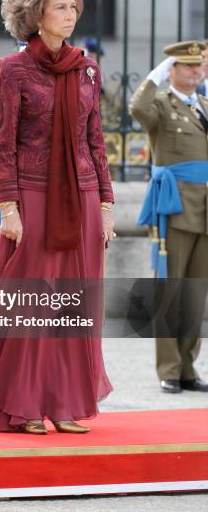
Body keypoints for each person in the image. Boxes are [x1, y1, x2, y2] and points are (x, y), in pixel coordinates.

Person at [0, 0, 114, 435]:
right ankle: (23, 405)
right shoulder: (10, 70)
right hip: (31, 197)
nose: (70, 15)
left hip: (84, 196)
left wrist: (107, 206)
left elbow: (96, 142)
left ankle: (66, 403)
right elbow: (2, 146)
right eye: (60, 7)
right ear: (34, 14)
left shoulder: (89, 67)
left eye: (74, 6)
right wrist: (7, 208)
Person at [130, 41, 208, 394]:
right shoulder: (161, 104)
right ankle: (169, 368)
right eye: (187, 65)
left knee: (195, 296)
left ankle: (189, 367)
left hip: (204, 210)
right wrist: (156, 76)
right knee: (170, 289)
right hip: (174, 208)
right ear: (172, 69)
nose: (195, 71)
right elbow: (138, 107)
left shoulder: (203, 107)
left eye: (199, 66)